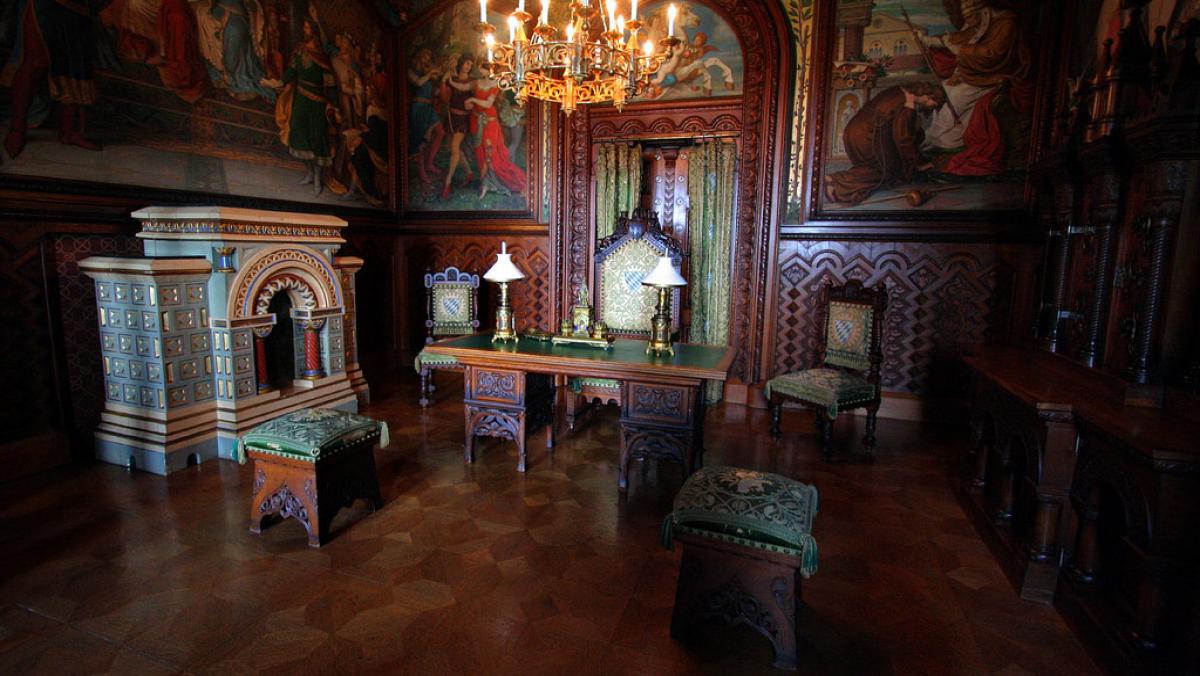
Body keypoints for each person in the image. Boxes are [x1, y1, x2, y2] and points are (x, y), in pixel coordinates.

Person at [919, 0, 1031, 175]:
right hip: (975, 73)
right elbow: (958, 37)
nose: (968, 22)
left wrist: (959, 50)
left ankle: (942, 141)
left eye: (970, 16)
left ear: (983, 11)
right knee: (946, 90)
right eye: (965, 17)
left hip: (994, 74)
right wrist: (928, 40)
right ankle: (943, 139)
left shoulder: (1006, 23)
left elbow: (991, 54)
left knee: (956, 96)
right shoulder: (980, 22)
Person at [2, 0, 110, 158]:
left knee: (75, 66)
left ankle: (68, 131)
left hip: (83, 7)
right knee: (36, 63)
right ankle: (17, 129)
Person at [824, 82, 945, 206]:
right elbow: (903, 139)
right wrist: (918, 162)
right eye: (934, 105)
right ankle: (835, 180)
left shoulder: (898, 90)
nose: (931, 108)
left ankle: (834, 187)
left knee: (869, 167)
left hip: (853, 131)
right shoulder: (908, 104)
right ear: (929, 96)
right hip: (868, 136)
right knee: (882, 170)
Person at [266, 18, 335, 195]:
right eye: (304, 27)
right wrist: (279, 82)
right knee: (297, 134)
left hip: (317, 103)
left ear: (314, 31)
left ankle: (318, 178)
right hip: (301, 99)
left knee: (317, 139)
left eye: (307, 27)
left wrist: (333, 105)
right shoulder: (299, 50)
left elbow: (330, 84)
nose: (305, 30)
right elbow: (292, 71)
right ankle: (310, 172)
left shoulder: (321, 54)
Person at [468, 75, 526, 199]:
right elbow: (463, 87)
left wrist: (472, 99)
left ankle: (509, 182)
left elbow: (488, 104)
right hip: (479, 122)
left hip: (491, 123)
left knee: (492, 156)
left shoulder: (496, 84)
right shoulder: (478, 82)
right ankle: (486, 184)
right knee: (481, 154)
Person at [439, 54, 477, 201]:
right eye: (467, 63)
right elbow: (444, 98)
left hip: (463, 120)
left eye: (470, 64)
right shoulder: (452, 79)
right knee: (455, 148)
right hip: (451, 118)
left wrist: (471, 105)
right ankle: (469, 173)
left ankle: (447, 182)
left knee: (454, 147)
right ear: (461, 63)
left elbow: (476, 101)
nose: (468, 66)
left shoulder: (471, 82)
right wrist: (444, 81)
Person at [407, 47, 442, 186]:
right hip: (419, 107)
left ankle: (429, 163)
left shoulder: (426, 72)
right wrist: (430, 73)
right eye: (425, 56)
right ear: (419, 56)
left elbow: (434, 86)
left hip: (429, 107)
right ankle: (422, 171)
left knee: (440, 132)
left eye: (428, 57)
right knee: (420, 140)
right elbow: (418, 82)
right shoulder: (411, 71)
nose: (427, 59)